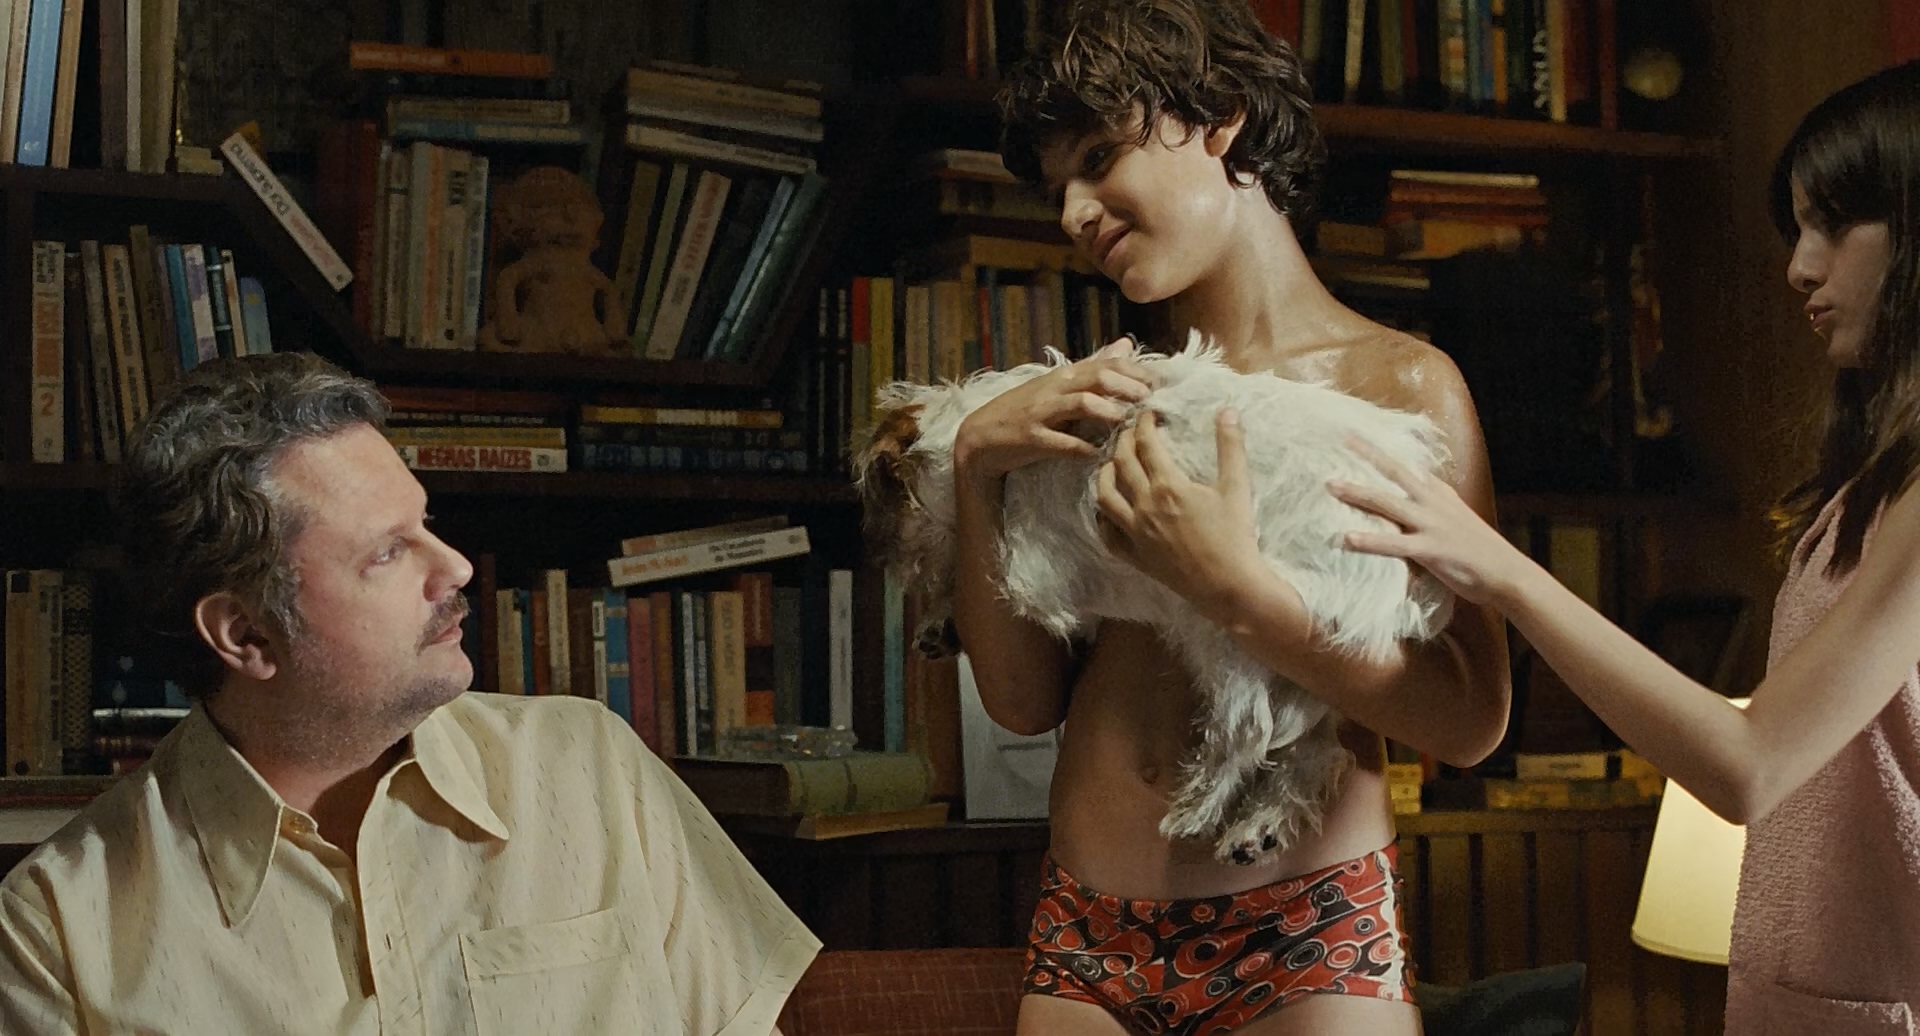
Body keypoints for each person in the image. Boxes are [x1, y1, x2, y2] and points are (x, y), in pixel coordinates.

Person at [956, 1, 1512, 1032]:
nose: (1074, 214)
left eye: (1099, 158)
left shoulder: (1402, 387)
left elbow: (1473, 717)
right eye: (1057, 188)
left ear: (1222, 118)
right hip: (1087, 931)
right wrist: (974, 466)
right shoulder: (1101, 395)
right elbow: (1024, 703)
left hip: (1307, 932)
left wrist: (1241, 593)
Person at [1332, 61, 1920, 1033]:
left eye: (1835, 225)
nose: (1800, 268)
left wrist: (1506, 571)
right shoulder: (1871, 488)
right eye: (1797, 230)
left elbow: (1750, 762)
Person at [0, 352, 818, 1034]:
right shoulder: (57, 930)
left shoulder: (592, 769)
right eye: (387, 554)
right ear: (246, 635)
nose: (454, 567)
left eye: (424, 523)